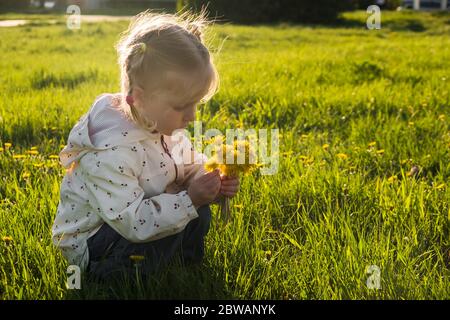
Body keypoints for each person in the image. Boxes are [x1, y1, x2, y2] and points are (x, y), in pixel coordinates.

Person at [51, 10, 240, 281]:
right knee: (179, 215)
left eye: (196, 103)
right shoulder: (109, 152)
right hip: (99, 243)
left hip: (141, 218)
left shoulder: (164, 127)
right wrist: (189, 198)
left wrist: (210, 181)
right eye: (181, 106)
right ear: (139, 99)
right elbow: (134, 222)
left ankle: (183, 267)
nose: (193, 116)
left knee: (197, 209)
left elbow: (189, 166)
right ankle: (113, 277)